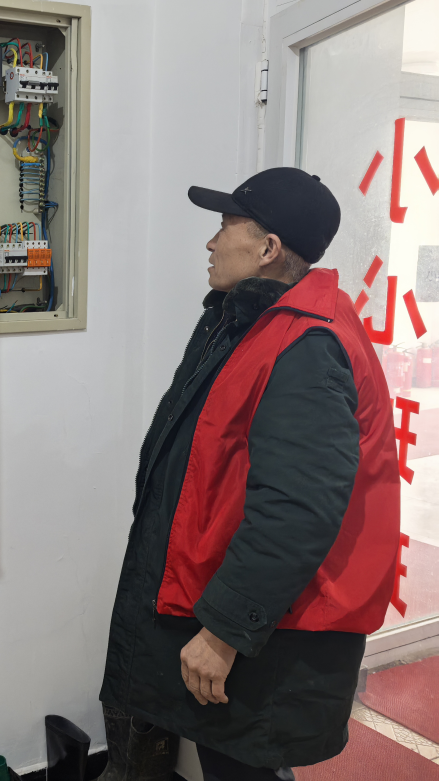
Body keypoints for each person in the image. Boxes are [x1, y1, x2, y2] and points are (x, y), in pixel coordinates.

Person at [97, 168, 400, 781]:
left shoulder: (307, 345)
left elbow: (298, 508)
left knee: (244, 770)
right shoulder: (257, 323)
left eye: (226, 226)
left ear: (268, 249)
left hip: (270, 629)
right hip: (247, 608)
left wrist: (224, 632)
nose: (211, 242)